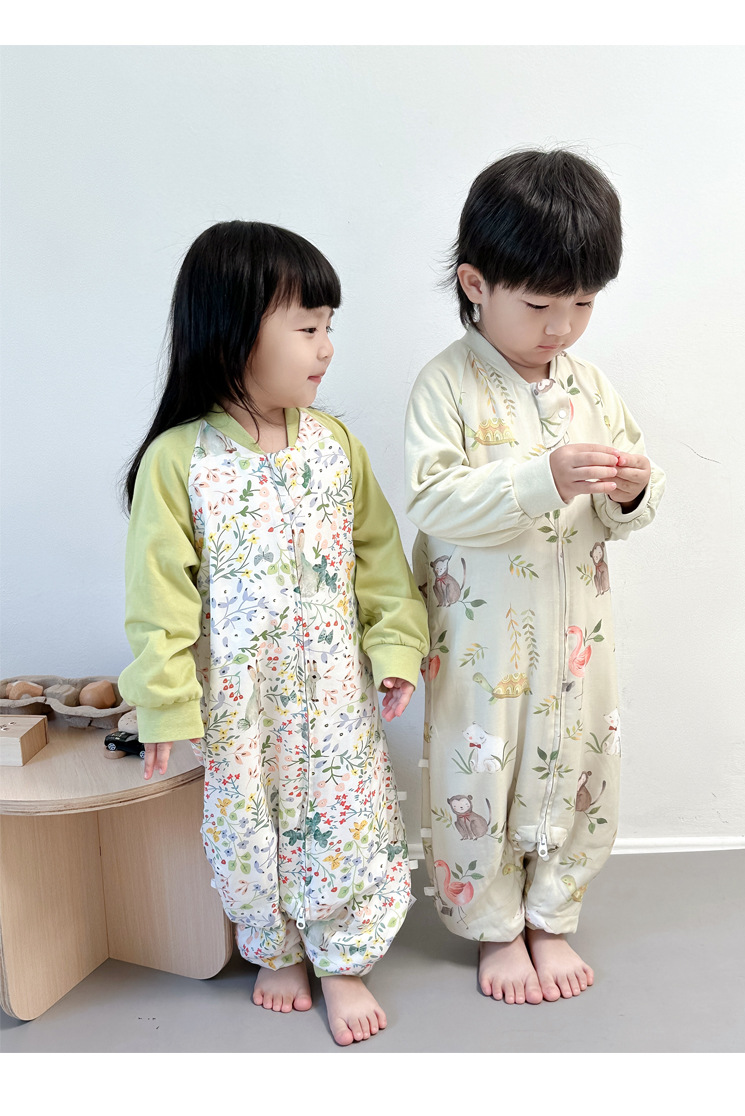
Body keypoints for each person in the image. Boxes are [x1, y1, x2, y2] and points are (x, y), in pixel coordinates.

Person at [119, 220, 428, 1045]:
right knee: (250, 827)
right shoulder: (179, 461)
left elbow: (380, 560)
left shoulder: (334, 447)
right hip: (241, 704)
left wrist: (395, 649)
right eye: (307, 327)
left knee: (343, 817)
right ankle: (276, 948)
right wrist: (164, 703)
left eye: (329, 327)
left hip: (334, 697)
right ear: (234, 332)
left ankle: (344, 960)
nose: (326, 348)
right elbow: (158, 600)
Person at [404, 149, 665, 1005]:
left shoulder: (591, 387)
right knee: (481, 770)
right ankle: (492, 925)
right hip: (483, 647)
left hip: (578, 640)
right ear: (476, 285)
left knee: (581, 762)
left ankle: (553, 912)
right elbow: (434, 499)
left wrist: (632, 490)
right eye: (542, 305)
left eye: (583, 304)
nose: (562, 327)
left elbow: (631, 501)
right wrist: (539, 478)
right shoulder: (446, 386)